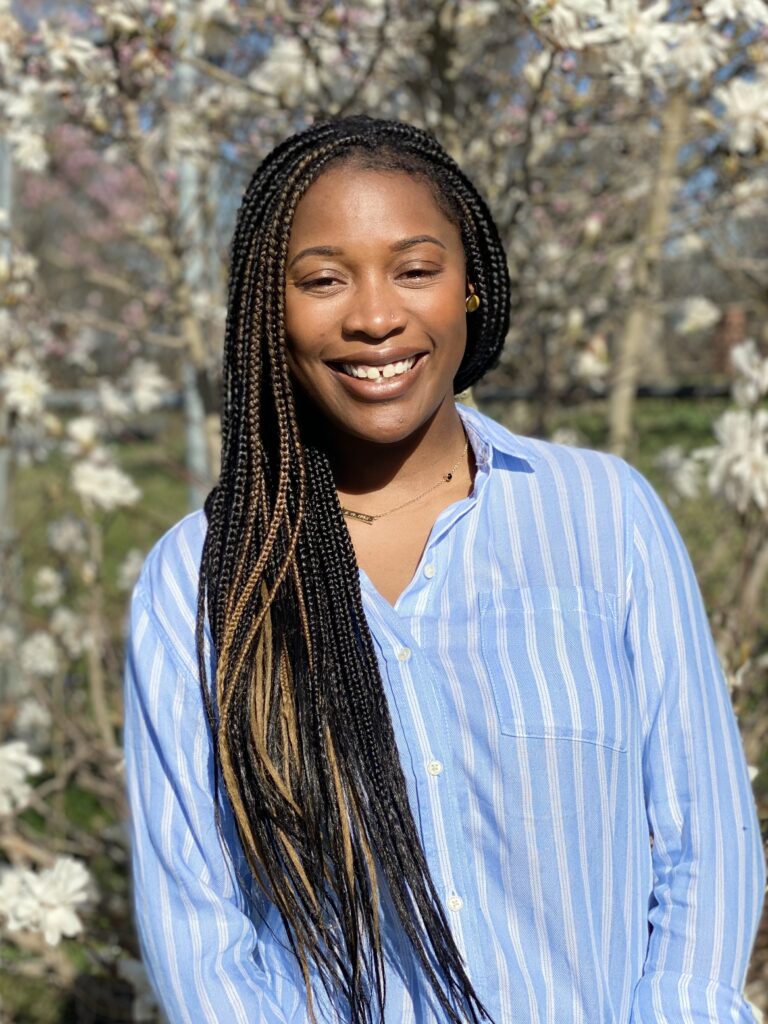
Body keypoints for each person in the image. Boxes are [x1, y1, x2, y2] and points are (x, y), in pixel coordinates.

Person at [123, 115, 765, 1024]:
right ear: (271, 307)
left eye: (415, 270)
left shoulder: (604, 517)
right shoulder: (200, 579)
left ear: (470, 286)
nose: (374, 315)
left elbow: (704, 840)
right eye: (323, 279)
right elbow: (201, 935)